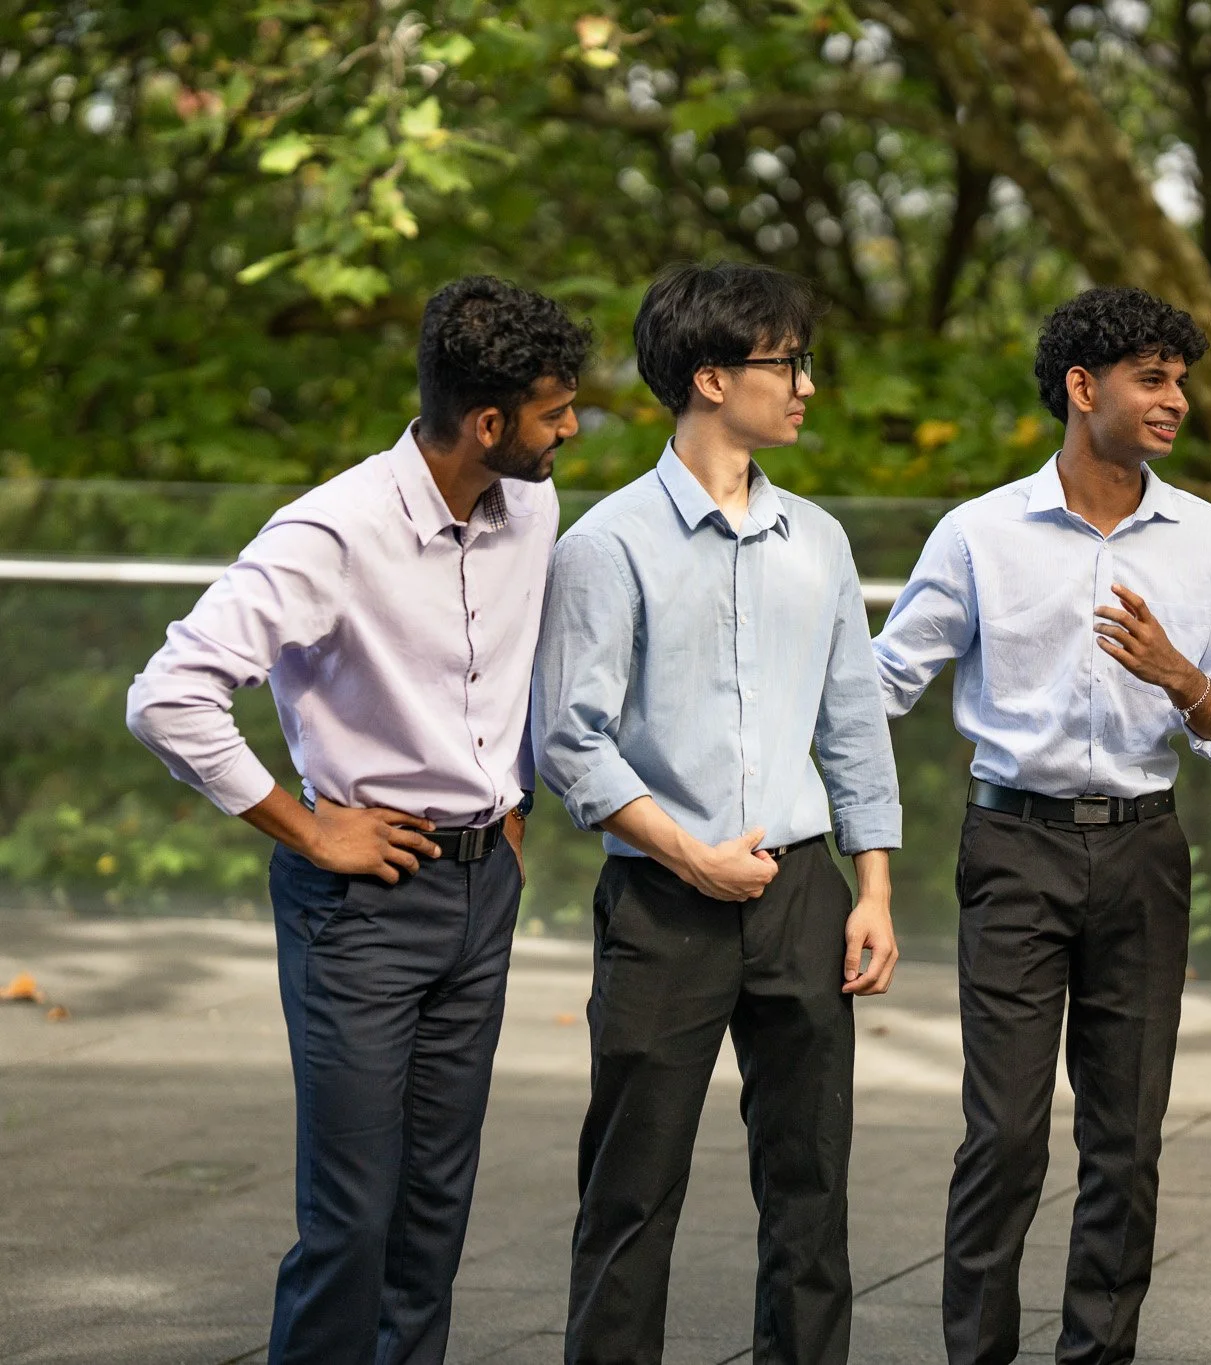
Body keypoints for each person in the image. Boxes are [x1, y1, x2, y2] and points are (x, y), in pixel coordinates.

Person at [126, 276, 588, 1364]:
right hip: (362, 904)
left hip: (482, 890)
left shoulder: (533, 507)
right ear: (487, 424)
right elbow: (167, 696)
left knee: (433, 1215)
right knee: (352, 1220)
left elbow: (510, 671)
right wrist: (308, 827)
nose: (571, 428)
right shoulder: (331, 531)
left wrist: (509, 808)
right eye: (555, 410)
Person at [873, 286, 1211, 1365]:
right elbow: (878, 685)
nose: (1175, 400)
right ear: (1081, 387)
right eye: (1152, 378)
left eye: (1180, 380)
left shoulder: (1209, 542)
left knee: (1125, 1140)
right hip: (1012, 847)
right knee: (1002, 1135)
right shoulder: (977, 534)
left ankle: (1097, 1355)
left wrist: (1178, 676)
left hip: (1145, 846)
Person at [532, 261, 902, 1365]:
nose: (804, 387)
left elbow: (852, 723)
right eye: (786, 364)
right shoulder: (605, 546)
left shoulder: (820, 543)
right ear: (709, 377)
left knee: (811, 1190)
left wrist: (873, 887)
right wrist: (686, 853)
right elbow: (569, 739)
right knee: (630, 1189)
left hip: (801, 897)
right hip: (661, 901)